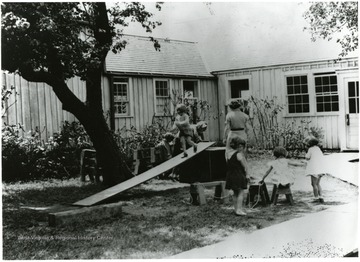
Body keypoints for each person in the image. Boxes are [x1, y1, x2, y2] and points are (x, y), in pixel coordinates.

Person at [225, 136, 249, 216]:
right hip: (238, 175)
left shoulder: (228, 153)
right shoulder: (239, 154)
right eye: (240, 146)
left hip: (230, 175)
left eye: (242, 146)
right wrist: (248, 174)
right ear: (236, 146)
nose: (241, 148)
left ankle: (236, 209)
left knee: (235, 193)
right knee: (241, 192)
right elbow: (245, 166)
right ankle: (239, 210)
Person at [303, 136, 327, 203]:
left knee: (314, 184)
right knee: (318, 183)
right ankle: (321, 196)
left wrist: (306, 154)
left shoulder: (310, 149)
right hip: (320, 169)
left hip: (314, 169)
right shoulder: (318, 148)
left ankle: (316, 198)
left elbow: (307, 157)